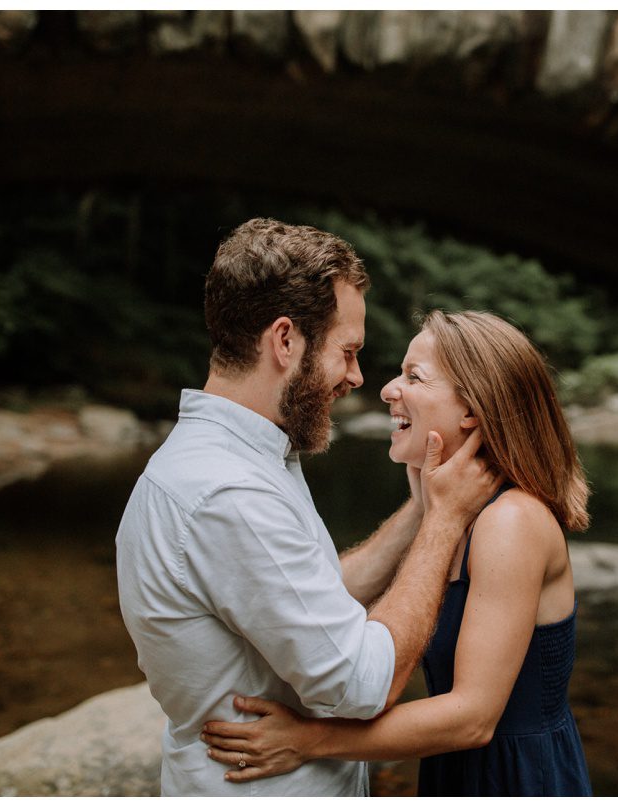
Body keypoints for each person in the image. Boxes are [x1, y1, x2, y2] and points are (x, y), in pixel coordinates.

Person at [115, 220, 500, 796]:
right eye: (347, 352)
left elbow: (310, 598)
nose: (358, 377)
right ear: (286, 341)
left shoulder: (244, 456)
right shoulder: (230, 492)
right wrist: (445, 523)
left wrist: (424, 509)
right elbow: (362, 683)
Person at [201, 310, 593, 796]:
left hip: (514, 779)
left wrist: (307, 740)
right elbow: (326, 602)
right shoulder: (457, 513)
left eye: (414, 377)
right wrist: (426, 508)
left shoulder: (510, 523)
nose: (387, 389)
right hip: (456, 771)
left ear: (471, 410)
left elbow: (472, 718)